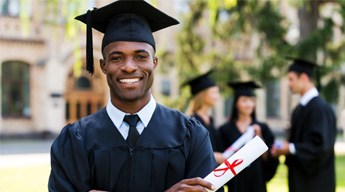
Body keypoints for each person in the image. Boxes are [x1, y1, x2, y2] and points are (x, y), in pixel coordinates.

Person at [48, 1, 218, 191]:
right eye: (116, 58)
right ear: (103, 65)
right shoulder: (75, 140)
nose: (129, 66)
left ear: (154, 63)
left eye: (140, 56)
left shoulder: (191, 135)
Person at [271, 58, 336, 192]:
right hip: (299, 180)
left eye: (291, 79)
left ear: (304, 78)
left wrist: (290, 148)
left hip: (317, 183)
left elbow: (321, 147)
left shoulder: (320, 109)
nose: (288, 84)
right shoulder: (300, 109)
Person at [218, 81, 279, 192]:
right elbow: (222, 159)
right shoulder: (225, 130)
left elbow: (269, 159)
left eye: (252, 100)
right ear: (236, 103)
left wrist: (259, 139)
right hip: (235, 183)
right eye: (244, 100)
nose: (249, 104)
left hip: (257, 182)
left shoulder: (262, 128)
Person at [183, 70, 226, 165]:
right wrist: (212, 155)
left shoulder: (210, 120)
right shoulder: (190, 121)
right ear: (203, 95)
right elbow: (189, 152)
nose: (217, 97)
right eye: (214, 93)